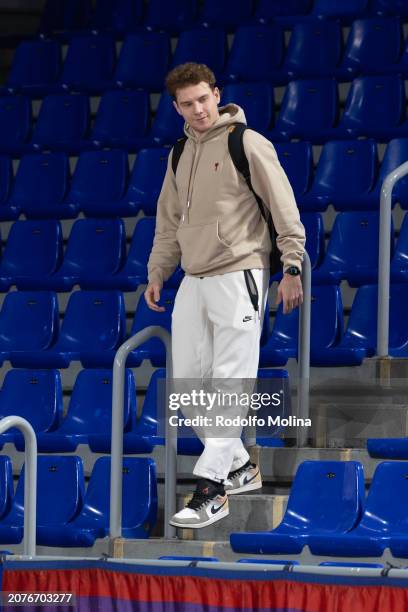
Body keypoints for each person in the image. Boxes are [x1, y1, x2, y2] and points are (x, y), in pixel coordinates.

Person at [145, 62, 305, 529]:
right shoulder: (177, 154)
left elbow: (284, 208)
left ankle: (211, 490)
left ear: (217, 94)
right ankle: (240, 465)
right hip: (193, 280)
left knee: (230, 384)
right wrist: (159, 271)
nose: (198, 109)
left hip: (240, 274)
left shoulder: (246, 142)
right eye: (187, 103)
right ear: (176, 107)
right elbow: (168, 222)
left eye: (203, 98)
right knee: (191, 389)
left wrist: (291, 266)